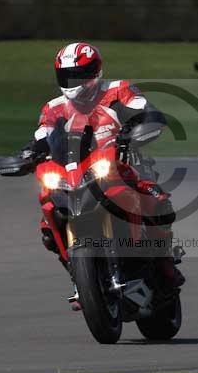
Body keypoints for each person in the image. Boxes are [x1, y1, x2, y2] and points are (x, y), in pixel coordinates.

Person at [16, 42, 185, 309]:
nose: (74, 82)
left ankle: (164, 266)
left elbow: (145, 110)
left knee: (157, 200)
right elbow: (42, 136)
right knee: (49, 221)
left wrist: (140, 126)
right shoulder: (54, 107)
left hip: (121, 165)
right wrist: (27, 155)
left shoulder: (118, 90)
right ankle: (80, 276)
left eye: (80, 75)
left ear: (95, 72)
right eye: (67, 76)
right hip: (75, 173)